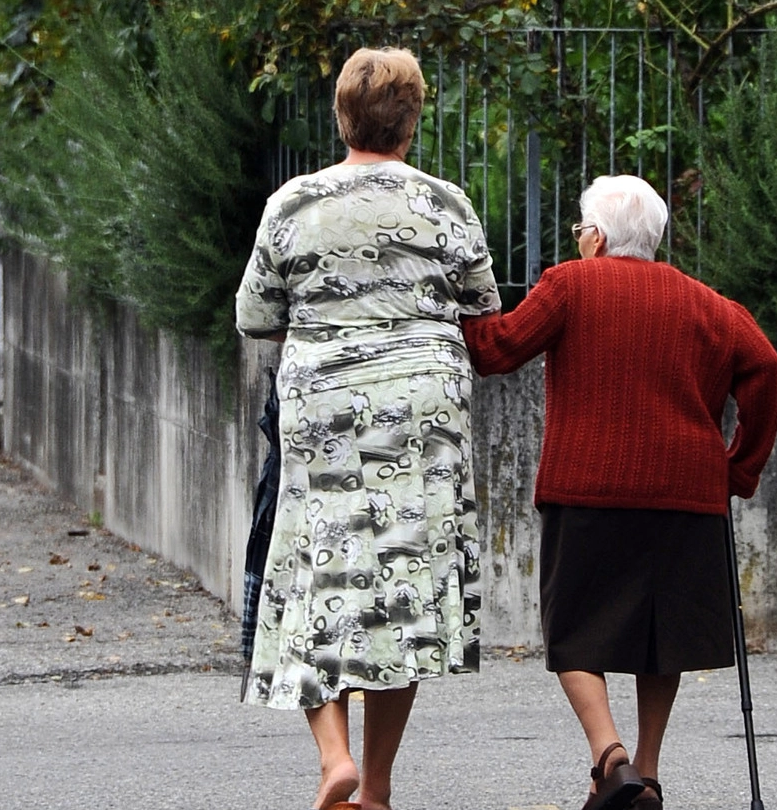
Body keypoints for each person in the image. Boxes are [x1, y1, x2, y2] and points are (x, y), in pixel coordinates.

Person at [461, 175, 777, 810]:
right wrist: (737, 470)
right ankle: (647, 773)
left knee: (573, 631)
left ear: (598, 236)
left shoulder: (570, 285)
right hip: (688, 496)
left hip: (589, 490)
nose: (579, 239)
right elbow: (766, 367)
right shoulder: (711, 305)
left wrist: (465, 298)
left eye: (582, 228)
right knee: (660, 636)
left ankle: (610, 758)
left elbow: (495, 351)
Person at [235, 47, 500, 810]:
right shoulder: (445, 204)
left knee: (315, 569)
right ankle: (377, 789)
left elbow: (255, 316)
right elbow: (483, 304)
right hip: (424, 407)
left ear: (341, 115)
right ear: (412, 119)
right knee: (405, 586)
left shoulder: (294, 203)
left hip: (325, 405)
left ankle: (333, 760)